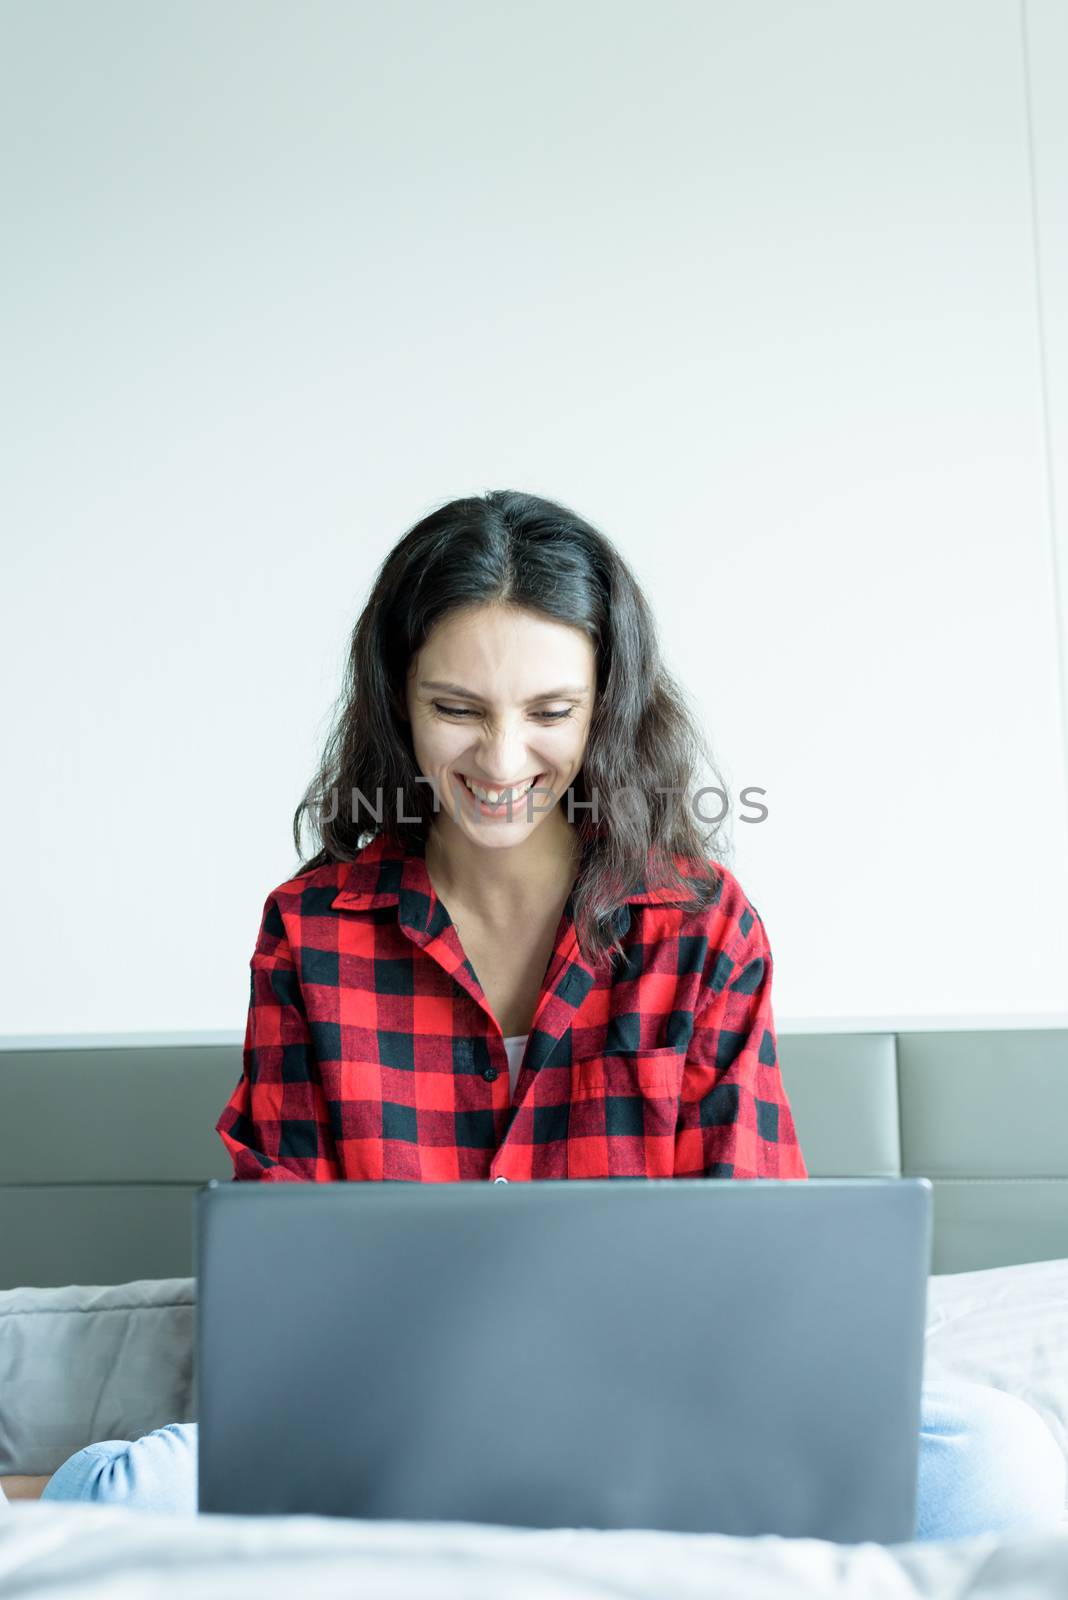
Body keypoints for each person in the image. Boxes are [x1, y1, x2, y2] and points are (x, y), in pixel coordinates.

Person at [11, 490, 1065, 1538]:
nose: (503, 762)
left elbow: (754, 1257)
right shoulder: (312, 931)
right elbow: (289, 1289)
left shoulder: (700, 928)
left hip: (670, 1415)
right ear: (397, 700)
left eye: (551, 713)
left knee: (997, 1465)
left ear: (608, 702)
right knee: (121, 1491)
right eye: (458, 709)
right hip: (392, 1424)